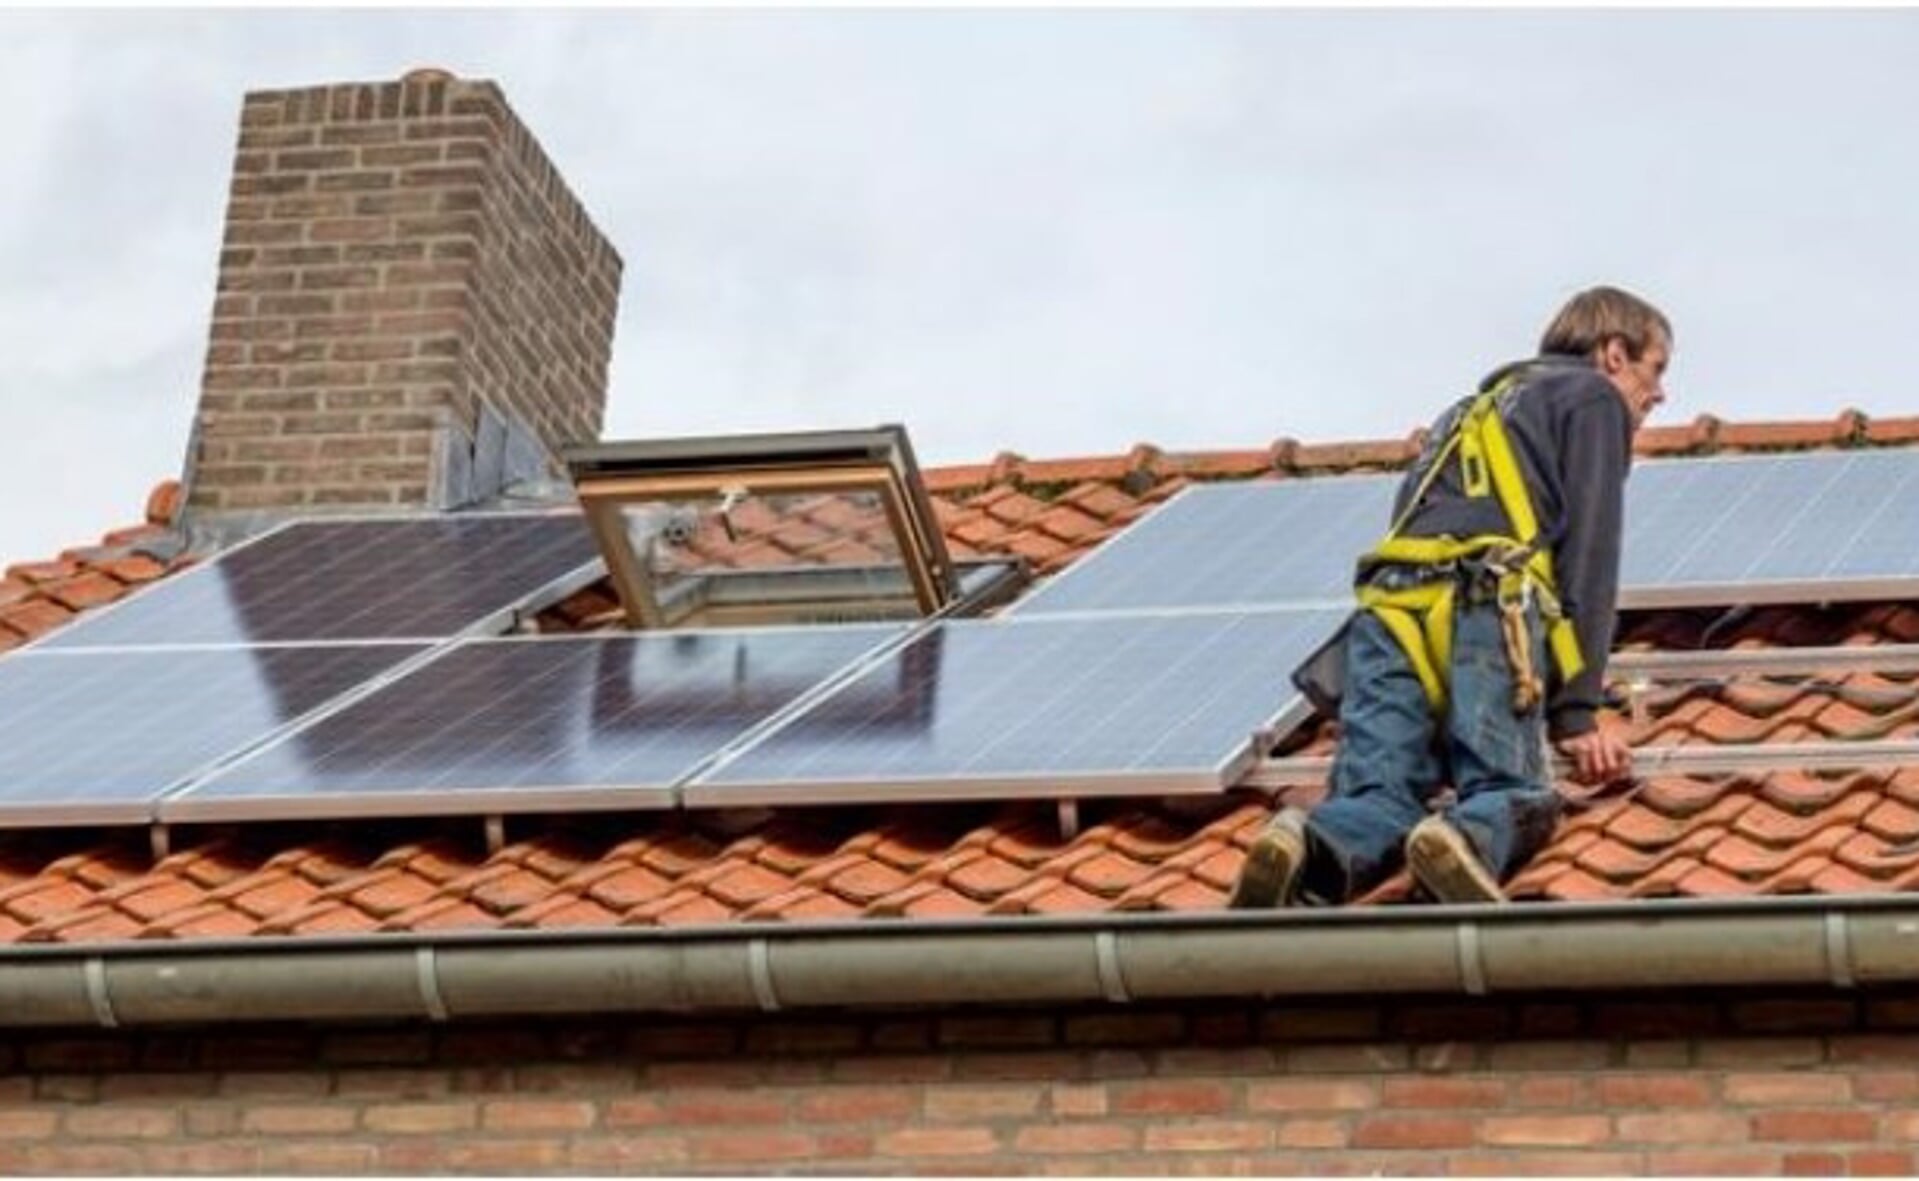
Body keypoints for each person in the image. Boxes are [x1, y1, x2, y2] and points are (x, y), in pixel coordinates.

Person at [1230, 286, 1670, 908]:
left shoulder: (1463, 414)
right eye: (1657, 369)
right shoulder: (1593, 398)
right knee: (1514, 790)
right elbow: (1591, 552)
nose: (1660, 394)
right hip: (1488, 604)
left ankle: (1307, 850)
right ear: (1614, 354)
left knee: (1378, 796)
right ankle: (1459, 839)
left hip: (1389, 615)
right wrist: (1577, 714)